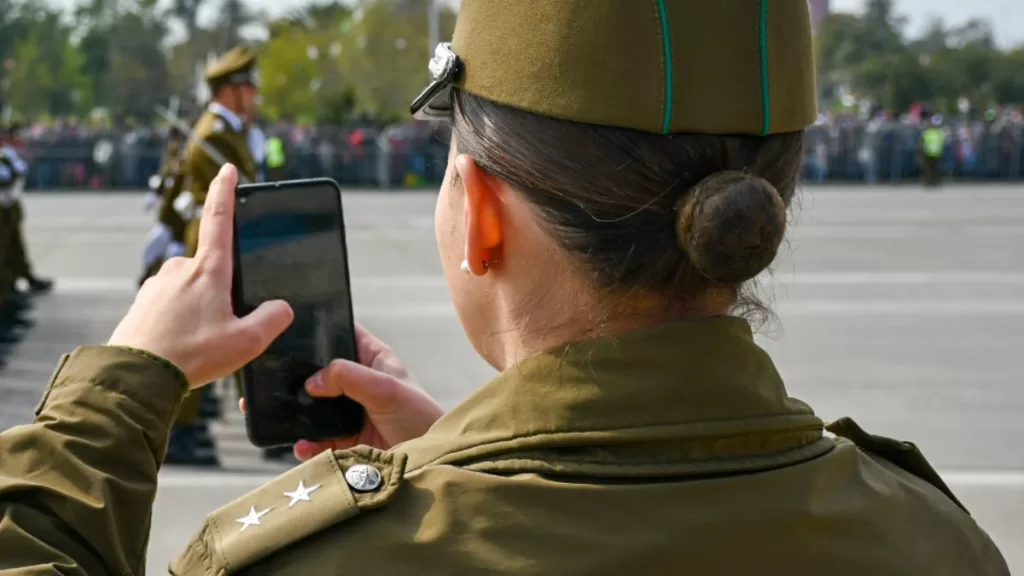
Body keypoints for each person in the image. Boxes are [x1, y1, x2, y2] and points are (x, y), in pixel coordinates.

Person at [0, 2, 1011, 574]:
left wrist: (116, 393)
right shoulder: (933, 540)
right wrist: (463, 461)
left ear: (477, 211)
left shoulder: (308, 565)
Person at [167, 45, 261, 467]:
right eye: (249, 89)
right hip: (215, 240)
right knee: (203, 336)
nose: (255, 98)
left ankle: (193, 425)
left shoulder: (229, 130)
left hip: (224, 238)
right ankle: (179, 431)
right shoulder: (215, 134)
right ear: (231, 91)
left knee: (235, 329)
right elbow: (241, 188)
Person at [139, 126, 188, 287]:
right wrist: (157, 193)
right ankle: (149, 275)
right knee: (151, 249)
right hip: (168, 219)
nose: (174, 143)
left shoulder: (186, 162)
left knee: (174, 257)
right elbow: (165, 179)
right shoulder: (172, 159)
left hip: (180, 223)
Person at [922, 115, 947, 187]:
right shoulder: (938, 133)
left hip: (929, 153)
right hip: (936, 153)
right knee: (934, 169)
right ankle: (934, 182)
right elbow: (942, 142)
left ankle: (930, 182)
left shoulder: (927, 132)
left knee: (929, 169)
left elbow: (923, 142)